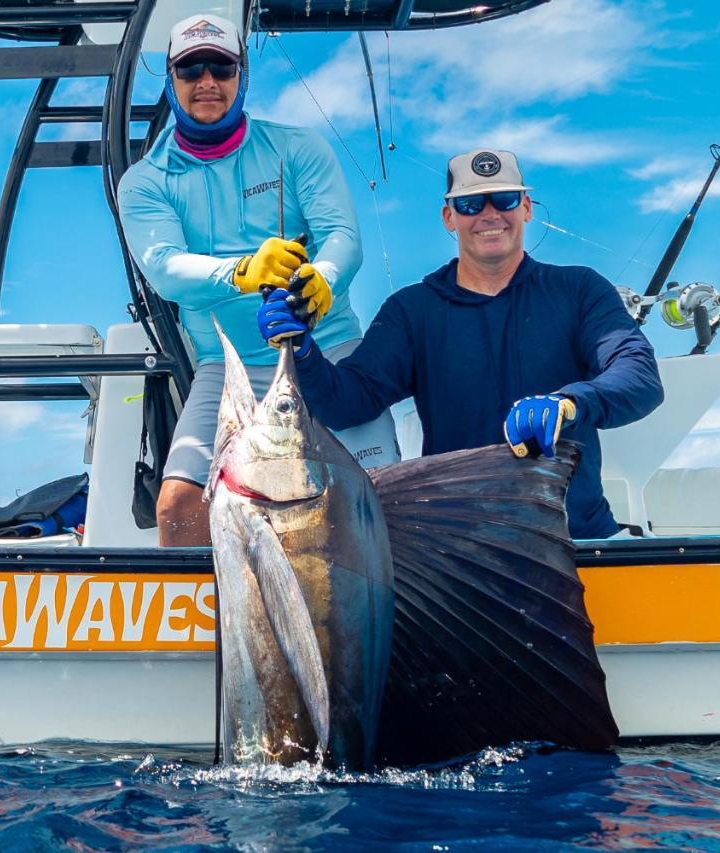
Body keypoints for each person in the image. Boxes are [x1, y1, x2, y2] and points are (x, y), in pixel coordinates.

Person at [257, 148, 664, 539]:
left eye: (503, 199)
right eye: (470, 205)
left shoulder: (579, 289)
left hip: (577, 538)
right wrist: (302, 351)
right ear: (449, 217)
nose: (489, 215)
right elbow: (347, 402)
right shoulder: (412, 310)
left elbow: (640, 377)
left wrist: (570, 402)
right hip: (462, 554)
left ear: (526, 208)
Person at [117, 14, 399, 546]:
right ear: (171, 79)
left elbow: (342, 235)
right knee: (178, 509)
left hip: (329, 348)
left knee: (380, 495)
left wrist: (323, 280)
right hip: (228, 368)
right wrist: (244, 272)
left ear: (241, 75)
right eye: (190, 68)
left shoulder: (297, 147)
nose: (207, 82)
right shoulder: (146, 181)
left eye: (221, 67)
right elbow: (165, 268)